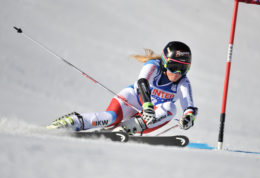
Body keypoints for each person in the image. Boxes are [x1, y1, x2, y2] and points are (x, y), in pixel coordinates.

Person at [47, 41, 198, 134]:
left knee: (171, 108)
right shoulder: (153, 66)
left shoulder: (183, 83)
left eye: (183, 69)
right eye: (174, 66)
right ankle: (71, 122)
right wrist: (147, 105)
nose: (178, 73)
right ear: (165, 63)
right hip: (132, 99)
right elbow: (142, 82)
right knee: (109, 118)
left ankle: (125, 129)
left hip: (148, 117)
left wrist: (189, 118)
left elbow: (188, 105)